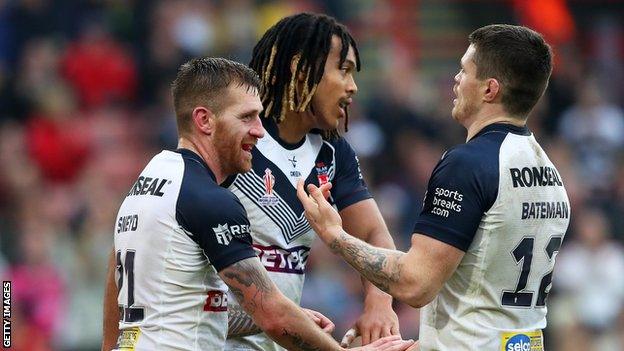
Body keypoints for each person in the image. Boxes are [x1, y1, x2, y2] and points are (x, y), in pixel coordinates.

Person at [101, 57, 413, 351]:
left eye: (259, 116)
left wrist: (293, 318)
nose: (259, 131)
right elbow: (274, 317)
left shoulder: (149, 181)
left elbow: (182, 307)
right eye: (247, 117)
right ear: (204, 120)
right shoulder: (211, 200)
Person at [297, 24, 571, 351]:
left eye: (464, 70)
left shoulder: (467, 164)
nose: (455, 80)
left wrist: (335, 236)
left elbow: (416, 284)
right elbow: (487, 292)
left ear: (490, 90)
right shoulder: (549, 171)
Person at [223, 13, 400, 351]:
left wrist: (378, 303)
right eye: (344, 70)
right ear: (301, 69)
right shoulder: (237, 140)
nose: (353, 86)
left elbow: (373, 235)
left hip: (280, 338)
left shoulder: (334, 155)